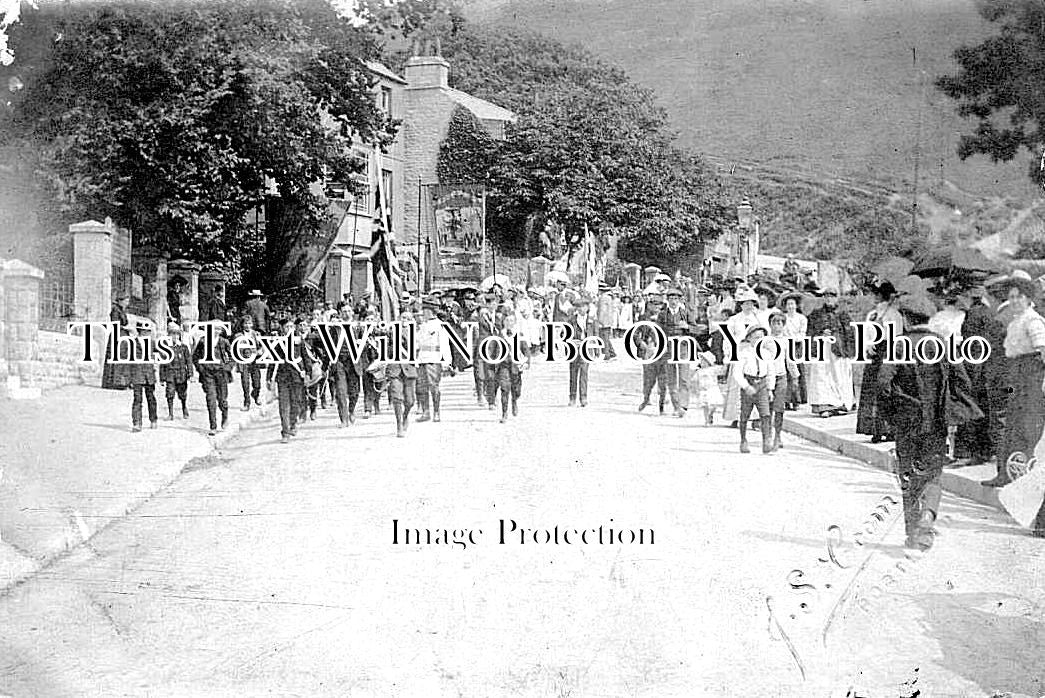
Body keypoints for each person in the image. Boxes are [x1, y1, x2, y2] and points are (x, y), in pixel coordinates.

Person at [878, 294, 982, 550]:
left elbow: (883, 384)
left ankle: (914, 532)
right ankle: (928, 517)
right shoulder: (943, 345)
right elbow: (962, 382)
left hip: (906, 422)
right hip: (935, 422)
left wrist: (890, 414)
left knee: (908, 476)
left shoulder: (899, 345)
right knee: (933, 474)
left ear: (906, 318)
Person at [982, 277, 1045, 488]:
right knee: (1011, 424)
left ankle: (1024, 477)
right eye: (1012, 297)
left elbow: (1043, 351)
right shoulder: (1016, 320)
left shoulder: (1033, 320)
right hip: (1015, 374)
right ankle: (1006, 474)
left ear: (1028, 299)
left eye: (1020, 297)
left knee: (1027, 425)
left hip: (1031, 376)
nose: (1016, 301)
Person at [955, 284, 1008, 467]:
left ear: (969, 296)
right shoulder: (987, 313)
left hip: (974, 365)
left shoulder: (974, 314)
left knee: (970, 406)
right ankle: (987, 451)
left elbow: (972, 343)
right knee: (985, 409)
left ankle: (971, 452)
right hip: (986, 365)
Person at [856, 281, 902, 443]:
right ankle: (874, 429)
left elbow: (896, 335)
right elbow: (867, 332)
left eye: (878, 295)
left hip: (887, 351)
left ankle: (888, 429)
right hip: (875, 353)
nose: (875, 298)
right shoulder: (873, 314)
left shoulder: (893, 314)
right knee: (872, 388)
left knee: (885, 388)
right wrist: (868, 344)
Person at [806, 288, 855, 417]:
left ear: (836, 298)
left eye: (832, 296)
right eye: (826, 297)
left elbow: (850, 333)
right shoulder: (816, 314)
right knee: (821, 375)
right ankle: (824, 406)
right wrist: (821, 333)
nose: (829, 299)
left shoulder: (843, 314)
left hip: (838, 349)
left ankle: (840, 405)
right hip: (822, 348)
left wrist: (849, 351)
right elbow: (810, 332)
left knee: (839, 375)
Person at [266, 315, 310, 443]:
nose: (289, 329)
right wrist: (269, 378)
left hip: (297, 377)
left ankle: (293, 424)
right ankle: (285, 433)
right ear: (282, 328)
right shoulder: (278, 342)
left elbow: (305, 358)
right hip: (283, 377)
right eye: (287, 327)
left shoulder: (299, 341)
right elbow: (273, 361)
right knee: (283, 406)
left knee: (295, 402)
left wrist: (307, 373)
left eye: (291, 326)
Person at [722, 289, 762, 426]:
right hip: (738, 353)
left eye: (751, 303)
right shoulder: (734, 320)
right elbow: (728, 339)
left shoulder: (758, 318)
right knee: (736, 385)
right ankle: (736, 416)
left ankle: (755, 418)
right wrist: (729, 354)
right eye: (745, 303)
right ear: (741, 304)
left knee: (754, 383)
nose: (748, 306)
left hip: (753, 353)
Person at [733, 324, 774, 454]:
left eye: (761, 338)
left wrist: (770, 389)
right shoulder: (743, 354)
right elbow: (737, 373)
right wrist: (745, 386)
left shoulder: (766, 354)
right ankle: (743, 440)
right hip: (749, 384)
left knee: (765, 414)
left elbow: (770, 372)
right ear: (749, 339)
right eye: (756, 338)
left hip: (761, 384)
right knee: (745, 414)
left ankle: (766, 441)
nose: (758, 341)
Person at [192, 321, 235, 436]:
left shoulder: (224, 342)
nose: (216, 331)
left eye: (218, 329)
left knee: (222, 400)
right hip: (208, 374)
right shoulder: (203, 341)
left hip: (221, 374)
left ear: (221, 331)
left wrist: (227, 367)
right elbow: (195, 357)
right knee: (211, 398)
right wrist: (200, 369)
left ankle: (225, 416)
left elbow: (233, 357)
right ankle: (213, 426)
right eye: (213, 328)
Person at [658, 287, 694, 418]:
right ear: (667, 300)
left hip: (683, 348)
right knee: (671, 378)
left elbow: (698, 329)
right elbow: (658, 331)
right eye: (671, 298)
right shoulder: (662, 314)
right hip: (669, 348)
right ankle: (676, 405)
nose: (673, 301)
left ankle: (684, 405)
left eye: (676, 299)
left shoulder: (686, 313)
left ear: (680, 300)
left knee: (684, 378)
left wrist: (688, 327)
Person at [766, 310, 800, 450]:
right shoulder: (765, 341)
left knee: (779, 408)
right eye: (774, 322)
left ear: (783, 325)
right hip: (767, 378)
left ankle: (777, 436)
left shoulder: (786, 342)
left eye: (780, 323)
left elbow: (790, 361)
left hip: (781, 377)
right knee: (767, 408)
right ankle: (767, 435)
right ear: (770, 324)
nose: (777, 325)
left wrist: (795, 377)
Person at [416, 297, 452, 423]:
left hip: (434, 359)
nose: (423, 313)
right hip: (421, 359)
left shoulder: (439, 325)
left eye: (425, 310)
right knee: (421, 387)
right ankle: (426, 412)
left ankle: (436, 412)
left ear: (431, 311)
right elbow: (417, 343)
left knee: (433, 386)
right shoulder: (422, 325)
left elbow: (445, 345)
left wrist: (446, 362)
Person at [329, 304, 363, 428]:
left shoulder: (358, 327)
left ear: (352, 312)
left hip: (353, 362)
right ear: (340, 313)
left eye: (349, 311)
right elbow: (329, 344)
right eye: (344, 311)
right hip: (340, 362)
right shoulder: (335, 328)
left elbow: (365, 342)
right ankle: (343, 419)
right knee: (341, 391)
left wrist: (360, 344)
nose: (347, 313)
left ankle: (352, 410)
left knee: (354, 391)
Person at [387, 311, 419, 437]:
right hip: (395, 369)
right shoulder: (392, 332)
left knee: (410, 401)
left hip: (410, 369)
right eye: (402, 318)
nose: (404, 320)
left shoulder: (416, 333)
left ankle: (405, 416)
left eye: (407, 318)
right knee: (396, 396)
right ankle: (399, 424)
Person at [635, 291, 668, 413]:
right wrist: (640, 343)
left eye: (659, 305)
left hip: (663, 350)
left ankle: (662, 405)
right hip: (648, 349)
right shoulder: (643, 318)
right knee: (648, 377)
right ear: (649, 306)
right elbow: (635, 333)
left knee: (663, 378)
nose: (656, 307)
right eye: (653, 304)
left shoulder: (666, 318)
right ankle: (646, 398)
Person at [128, 321, 159, 432]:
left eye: (148, 332)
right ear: (140, 332)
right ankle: (137, 423)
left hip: (149, 375)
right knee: (137, 399)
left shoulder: (152, 343)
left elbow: (164, 352)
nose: (147, 334)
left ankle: (153, 419)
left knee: (151, 398)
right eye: (145, 332)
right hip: (137, 374)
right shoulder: (132, 343)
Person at [568, 294, 598, 407]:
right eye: (579, 307)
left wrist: (595, 351)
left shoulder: (591, 320)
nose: (581, 309)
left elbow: (596, 335)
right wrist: (571, 341)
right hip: (574, 349)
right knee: (573, 373)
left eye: (584, 306)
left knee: (584, 374)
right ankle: (572, 397)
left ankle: (583, 398)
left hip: (586, 349)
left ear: (587, 307)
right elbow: (564, 334)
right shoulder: (572, 320)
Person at [780, 291, 808, 409]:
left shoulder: (801, 318)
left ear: (796, 305)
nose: (790, 307)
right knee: (785, 372)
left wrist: (795, 339)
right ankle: (786, 400)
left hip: (796, 346)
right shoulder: (783, 318)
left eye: (792, 304)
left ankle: (798, 399)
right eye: (788, 304)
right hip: (785, 345)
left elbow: (802, 333)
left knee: (797, 372)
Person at [160, 322, 193, 420]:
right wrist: (162, 378)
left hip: (181, 373)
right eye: (172, 334)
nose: (174, 336)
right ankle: (170, 414)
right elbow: (162, 363)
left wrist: (190, 374)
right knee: (170, 393)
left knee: (182, 393)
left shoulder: (184, 347)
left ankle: (184, 408)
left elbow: (189, 361)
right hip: (170, 373)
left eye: (176, 334)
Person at [102, 294, 131, 390]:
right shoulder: (115, 310)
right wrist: (125, 328)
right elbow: (115, 324)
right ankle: (113, 382)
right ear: (120, 301)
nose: (127, 303)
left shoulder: (122, 310)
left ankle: (121, 382)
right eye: (126, 301)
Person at [234, 315, 263, 411]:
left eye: (249, 323)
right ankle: (247, 402)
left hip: (254, 361)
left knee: (257, 382)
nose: (247, 325)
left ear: (252, 324)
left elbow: (261, 346)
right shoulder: (238, 336)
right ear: (242, 325)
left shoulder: (255, 334)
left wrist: (260, 351)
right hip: (243, 361)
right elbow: (234, 348)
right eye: (245, 323)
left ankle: (255, 394)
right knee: (245, 383)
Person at [693, 351, 724, 426]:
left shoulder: (713, 369)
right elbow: (695, 381)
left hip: (712, 389)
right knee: (705, 405)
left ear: (708, 362)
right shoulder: (699, 371)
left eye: (704, 361)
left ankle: (711, 414)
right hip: (703, 390)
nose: (702, 362)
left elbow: (722, 369)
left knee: (714, 405)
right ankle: (707, 419)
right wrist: (696, 390)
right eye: (701, 361)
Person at [596, 286, 618, 360]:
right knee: (606, 338)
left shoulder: (603, 298)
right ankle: (612, 352)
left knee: (603, 338)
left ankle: (606, 354)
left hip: (604, 321)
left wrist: (600, 320)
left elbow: (602, 310)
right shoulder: (609, 298)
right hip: (608, 321)